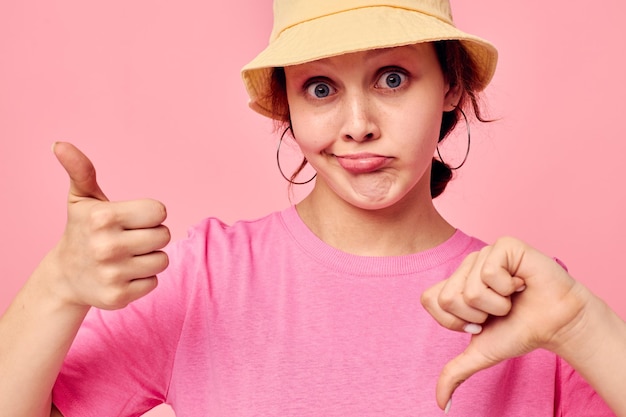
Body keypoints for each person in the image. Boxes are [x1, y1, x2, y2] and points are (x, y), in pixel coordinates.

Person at [0, 0, 625, 416]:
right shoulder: (207, 275)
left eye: (392, 78)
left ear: (452, 85)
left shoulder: (527, 301)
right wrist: (56, 288)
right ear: (286, 106)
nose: (357, 126)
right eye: (320, 88)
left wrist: (579, 328)